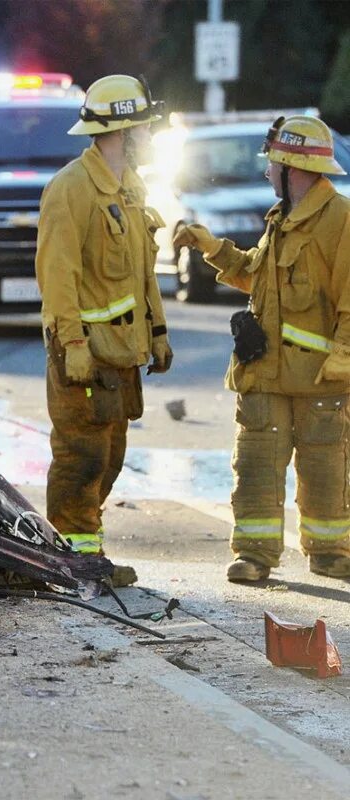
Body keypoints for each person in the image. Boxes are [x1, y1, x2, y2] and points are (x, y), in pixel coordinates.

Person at [174, 116, 350, 581]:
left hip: (319, 378)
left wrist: (344, 357)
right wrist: (212, 248)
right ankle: (254, 555)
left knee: (326, 467)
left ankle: (330, 553)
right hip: (266, 372)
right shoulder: (282, 220)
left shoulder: (341, 220)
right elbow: (257, 275)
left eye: (271, 163)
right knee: (256, 464)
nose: (266, 171)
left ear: (292, 166)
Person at [35, 75, 172, 586]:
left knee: (110, 457)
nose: (150, 137)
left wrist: (157, 332)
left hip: (120, 356)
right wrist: (71, 343)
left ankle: (82, 555)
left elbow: (143, 273)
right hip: (84, 356)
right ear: (123, 131)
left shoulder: (129, 191)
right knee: (81, 458)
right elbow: (58, 275)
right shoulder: (71, 189)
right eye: (144, 128)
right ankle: (73, 562)